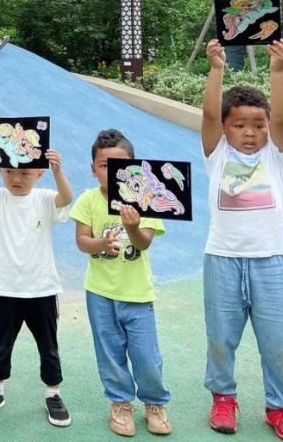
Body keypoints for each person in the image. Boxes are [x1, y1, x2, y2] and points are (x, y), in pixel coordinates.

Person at [201, 40, 283, 442]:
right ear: (226, 129)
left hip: (271, 259)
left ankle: (280, 408)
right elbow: (210, 114)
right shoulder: (217, 154)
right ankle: (224, 399)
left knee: (277, 342)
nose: (250, 132)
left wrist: (277, 71)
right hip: (222, 258)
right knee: (220, 337)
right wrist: (216, 69)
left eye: (258, 125)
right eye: (240, 125)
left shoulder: (275, 156)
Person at [0, 143, 74, 427]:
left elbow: (66, 198)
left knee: (49, 346)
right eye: (9, 171)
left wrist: (58, 171)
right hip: (5, 288)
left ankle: (53, 394)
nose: (16, 178)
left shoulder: (45, 199)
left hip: (42, 288)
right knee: (1, 343)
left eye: (25, 173)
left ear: (39, 174)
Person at [71, 129, 171, 437]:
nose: (113, 173)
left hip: (137, 295)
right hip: (100, 294)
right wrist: (101, 243)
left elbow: (143, 243)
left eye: (121, 166)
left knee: (146, 356)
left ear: (135, 168)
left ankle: (155, 403)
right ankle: (120, 403)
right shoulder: (88, 200)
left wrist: (133, 226)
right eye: (105, 166)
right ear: (93, 169)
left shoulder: (145, 199)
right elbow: (82, 241)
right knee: (110, 353)